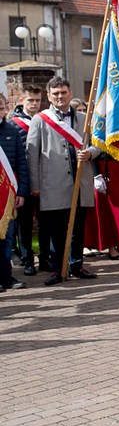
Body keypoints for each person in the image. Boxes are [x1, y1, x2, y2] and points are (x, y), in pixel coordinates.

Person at [26, 77, 100, 285]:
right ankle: (59, 269)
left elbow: (98, 143)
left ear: (70, 93)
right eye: (56, 93)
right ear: (49, 96)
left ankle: (77, 265)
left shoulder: (85, 118)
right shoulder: (40, 120)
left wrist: (91, 153)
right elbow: (32, 155)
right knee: (56, 231)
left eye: (64, 92)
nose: (60, 96)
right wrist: (35, 186)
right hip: (53, 184)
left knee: (77, 229)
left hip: (79, 182)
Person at [10, 85, 46, 275]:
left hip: (45, 178)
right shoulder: (14, 124)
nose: (34, 104)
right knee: (23, 223)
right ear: (22, 101)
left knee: (45, 221)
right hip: (23, 179)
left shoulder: (47, 119)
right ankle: (27, 260)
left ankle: (46, 257)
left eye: (37, 100)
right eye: (30, 100)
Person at [0, 93, 29, 292]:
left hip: (8, 195)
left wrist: (22, 192)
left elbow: (22, 164)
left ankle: (6, 278)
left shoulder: (12, 130)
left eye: (1, 107)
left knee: (8, 238)